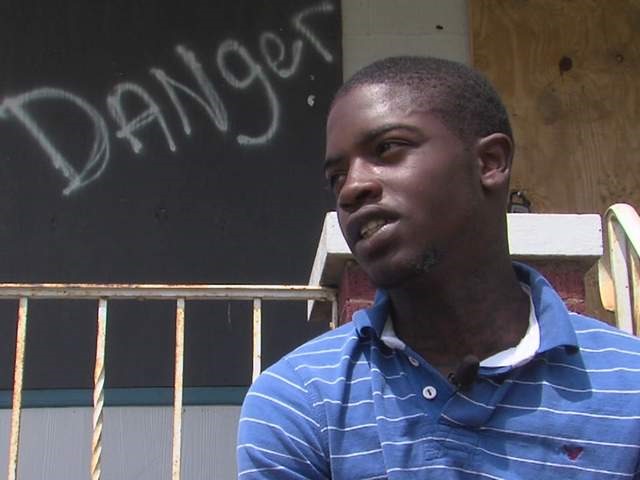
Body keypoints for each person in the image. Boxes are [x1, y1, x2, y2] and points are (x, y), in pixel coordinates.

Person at [236, 56, 640, 479]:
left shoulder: (627, 387)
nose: (352, 188)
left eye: (387, 149)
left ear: (489, 162)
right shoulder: (302, 400)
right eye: (337, 177)